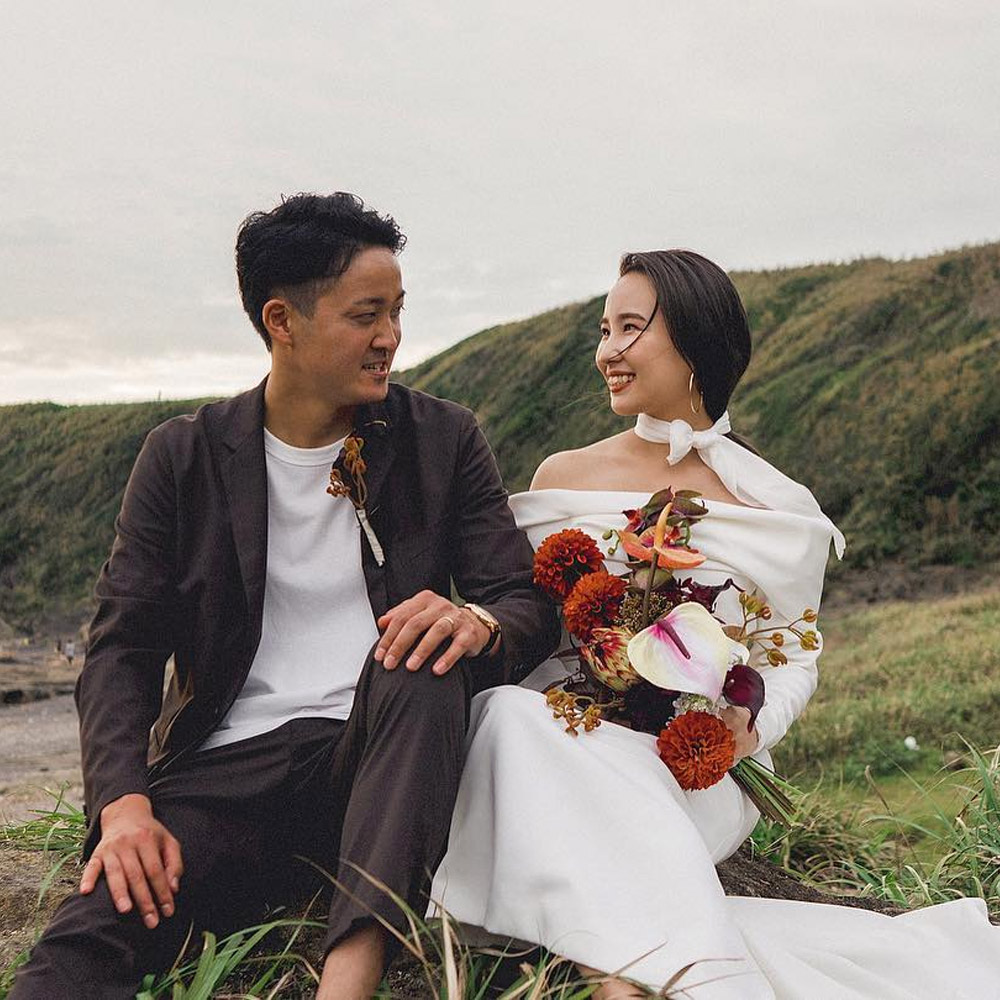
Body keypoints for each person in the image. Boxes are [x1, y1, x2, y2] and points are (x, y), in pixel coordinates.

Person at [11, 192, 560, 1000]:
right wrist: (122, 806)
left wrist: (474, 620)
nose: (390, 337)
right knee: (100, 922)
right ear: (282, 321)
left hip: (381, 764)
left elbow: (523, 598)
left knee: (417, 661)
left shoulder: (443, 439)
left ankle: (350, 977)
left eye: (397, 312)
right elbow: (124, 647)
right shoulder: (183, 458)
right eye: (366, 315)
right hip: (227, 774)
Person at [430, 250, 1000, 998]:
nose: (607, 352)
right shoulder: (562, 476)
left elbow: (791, 655)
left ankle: (625, 974)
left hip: (688, 769)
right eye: (604, 330)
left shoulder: (775, 505)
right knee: (507, 713)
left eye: (630, 328)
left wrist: (747, 732)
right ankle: (626, 983)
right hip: (565, 736)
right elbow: (529, 617)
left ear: (695, 341)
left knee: (529, 735)